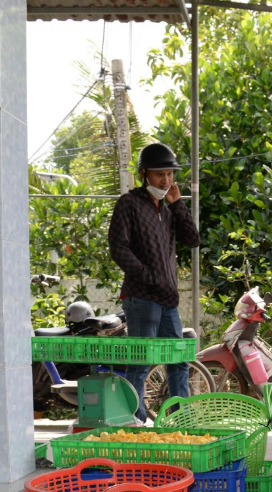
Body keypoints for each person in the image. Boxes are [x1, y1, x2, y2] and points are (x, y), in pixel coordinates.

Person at [108, 142, 200, 421]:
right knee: (141, 360)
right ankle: (134, 420)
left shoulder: (169, 209)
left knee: (178, 360)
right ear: (144, 174)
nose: (166, 180)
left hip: (167, 299)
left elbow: (192, 239)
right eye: (160, 174)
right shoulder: (129, 203)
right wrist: (148, 277)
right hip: (141, 297)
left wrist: (178, 203)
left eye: (170, 174)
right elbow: (118, 248)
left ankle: (178, 417)